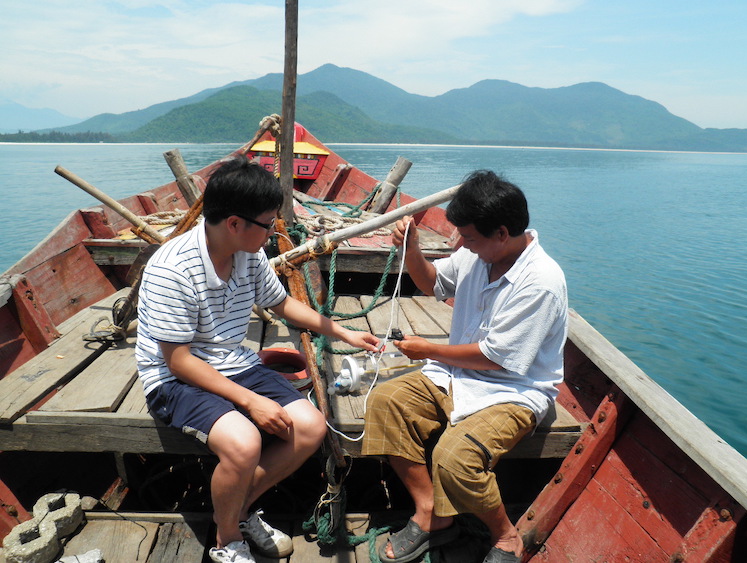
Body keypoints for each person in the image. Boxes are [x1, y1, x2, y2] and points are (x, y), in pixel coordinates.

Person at [136, 158, 380, 563]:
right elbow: (178, 361)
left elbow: (281, 303)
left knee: (309, 425)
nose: (274, 232)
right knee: (244, 443)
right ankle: (227, 538)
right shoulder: (172, 268)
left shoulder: (248, 254)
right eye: (268, 223)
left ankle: (235, 508)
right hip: (174, 378)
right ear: (234, 223)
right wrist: (251, 401)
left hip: (233, 361)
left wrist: (341, 330)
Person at [362, 170, 568, 563]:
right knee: (384, 403)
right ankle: (430, 514)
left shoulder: (541, 281)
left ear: (502, 233)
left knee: (454, 458)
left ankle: (506, 536)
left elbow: (495, 358)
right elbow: (432, 284)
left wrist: (429, 350)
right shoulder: (480, 254)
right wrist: (412, 252)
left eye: (469, 238)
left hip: (514, 391)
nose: (464, 246)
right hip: (456, 378)